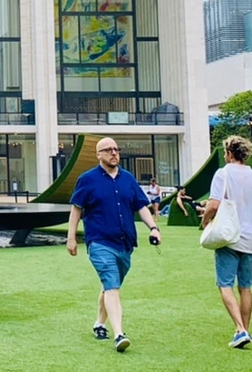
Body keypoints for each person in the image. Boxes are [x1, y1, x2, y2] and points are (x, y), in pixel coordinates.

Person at [67, 137, 161, 353]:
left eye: (116, 149)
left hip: (125, 243)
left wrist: (153, 228)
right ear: (98, 154)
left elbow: (142, 206)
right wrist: (71, 237)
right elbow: (76, 208)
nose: (113, 153)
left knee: (111, 286)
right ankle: (119, 334)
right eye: (108, 150)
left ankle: (99, 323)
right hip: (100, 241)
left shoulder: (128, 179)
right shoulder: (87, 179)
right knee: (111, 283)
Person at [201, 135, 252, 349]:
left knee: (225, 285)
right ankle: (245, 330)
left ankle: (240, 329)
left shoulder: (223, 174)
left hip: (228, 237)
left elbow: (214, 204)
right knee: (246, 287)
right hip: (250, 239)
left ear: (230, 153)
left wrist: (205, 221)